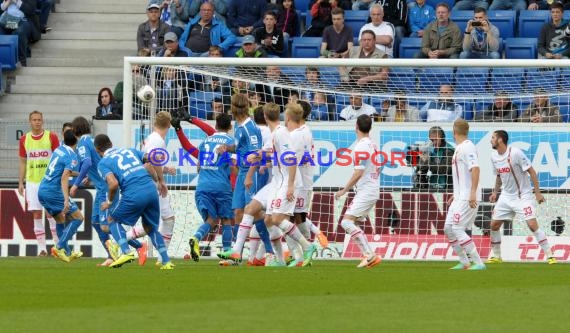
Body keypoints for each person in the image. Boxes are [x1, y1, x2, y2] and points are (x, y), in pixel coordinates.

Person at [69, 116, 146, 267]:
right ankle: (112, 255)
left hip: (106, 187)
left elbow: (87, 163)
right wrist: (90, 178)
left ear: (74, 130)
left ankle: (137, 247)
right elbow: (96, 164)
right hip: (101, 186)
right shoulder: (92, 141)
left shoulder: (82, 144)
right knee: (96, 222)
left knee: (106, 225)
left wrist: (76, 184)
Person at [95, 134, 174, 270]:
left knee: (112, 220)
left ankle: (126, 252)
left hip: (133, 193)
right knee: (150, 228)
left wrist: (109, 202)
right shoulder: (130, 150)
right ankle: (166, 262)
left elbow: (113, 184)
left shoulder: (103, 163)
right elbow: (152, 159)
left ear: (97, 150)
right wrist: (161, 181)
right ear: (111, 143)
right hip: (151, 190)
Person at [217, 93, 274, 263]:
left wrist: (249, 176)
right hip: (243, 170)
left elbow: (255, 155)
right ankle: (237, 255)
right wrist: (228, 148)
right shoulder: (238, 125)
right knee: (238, 212)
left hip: (252, 172)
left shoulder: (250, 128)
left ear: (234, 108)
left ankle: (270, 252)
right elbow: (241, 148)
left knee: (254, 212)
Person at [486, 130, 557, 265]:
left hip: (522, 196)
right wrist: (495, 192)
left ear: (500, 140)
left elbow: (531, 171)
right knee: (494, 225)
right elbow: (499, 176)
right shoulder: (493, 156)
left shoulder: (515, 153)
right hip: (506, 196)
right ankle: (496, 256)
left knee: (532, 225)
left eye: (493, 137)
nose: (491, 140)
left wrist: (537, 193)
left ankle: (550, 255)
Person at [262, 102, 317, 267]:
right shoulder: (291, 133)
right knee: (270, 220)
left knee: (283, 218)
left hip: (289, 181)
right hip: (281, 181)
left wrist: (291, 185)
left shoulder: (289, 134)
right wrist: (258, 156)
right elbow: (274, 152)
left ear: (287, 117)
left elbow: (292, 159)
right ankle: (285, 259)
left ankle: (305, 249)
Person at [187, 113, 237, 262]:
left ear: (215, 126)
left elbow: (198, 168)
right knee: (227, 220)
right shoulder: (230, 142)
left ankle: (196, 238)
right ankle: (227, 255)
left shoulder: (205, 141)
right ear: (230, 127)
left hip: (203, 185)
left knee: (211, 219)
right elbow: (233, 168)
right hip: (221, 186)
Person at [334, 114, 381, 269]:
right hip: (371, 189)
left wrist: (344, 190)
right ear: (370, 128)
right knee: (351, 222)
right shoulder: (373, 145)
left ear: (356, 126)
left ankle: (369, 255)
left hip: (366, 191)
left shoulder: (360, 146)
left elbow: (358, 172)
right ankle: (367, 255)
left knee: (346, 222)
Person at [445, 119, 485, 270]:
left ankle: (479, 263)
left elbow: (475, 169)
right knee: (448, 228)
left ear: (454, 132)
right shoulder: (459, 148)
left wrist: (472, 193)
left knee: (457, 228)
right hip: (459, 197)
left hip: (468, 196)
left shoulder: (468, 147)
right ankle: (464, 261)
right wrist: (455, 194)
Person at [38, 130, 84, 263]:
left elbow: (64, 171)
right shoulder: (72, 155)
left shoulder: (59, 149)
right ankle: (59, 246)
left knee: (59, 220)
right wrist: (65, 199)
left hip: (43, 190)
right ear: (76, 140)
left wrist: (81, 175)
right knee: (78, 218)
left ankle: (66, 253)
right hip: (54, 192)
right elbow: (65, 176)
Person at [18, 111, 60, 256]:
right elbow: (23, 162)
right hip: (32, 182)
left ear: (42, 121)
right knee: (36, 213)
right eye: (34, 120)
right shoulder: (24, 139)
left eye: (39, 120)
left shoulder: (51, 137)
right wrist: (20, 182)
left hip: (48, 181)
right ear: (30, 122)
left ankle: (57, 246)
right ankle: (42, 249)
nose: (37, 122)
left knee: (50, 213)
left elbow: (58, 158)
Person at [416, 126, 454, 190]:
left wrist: (427, 161)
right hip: (433, 186)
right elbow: (422, 171)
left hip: (447, 187)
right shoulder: (430, 148)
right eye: (431, 140)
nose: (434, 142)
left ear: (441, 138)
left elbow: (444, 170)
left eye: (436, 139)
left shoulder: (449, 150)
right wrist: (421, 162)